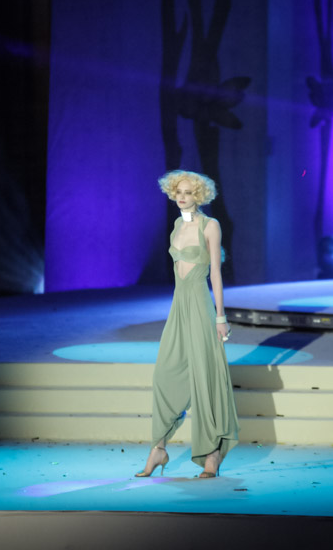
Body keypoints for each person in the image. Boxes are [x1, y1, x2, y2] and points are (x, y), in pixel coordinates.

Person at [135, 170, 240, 478]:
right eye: (178, 192)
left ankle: (212, 454)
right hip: (178, 306)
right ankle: (159, 448)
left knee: (205, 378)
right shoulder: (177, 225)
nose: (182, 197)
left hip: (200, 305)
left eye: (189, 192)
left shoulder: (210, 225)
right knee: (164, 375)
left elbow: (216, 273)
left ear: (199, 195)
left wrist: (220, 317)